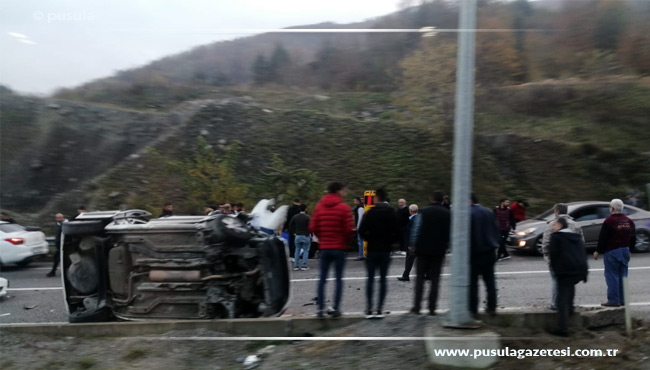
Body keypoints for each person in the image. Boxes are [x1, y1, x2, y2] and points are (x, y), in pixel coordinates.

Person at [309, 182, 354, 318]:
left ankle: (320, 308)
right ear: (339, 191)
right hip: (339, 248)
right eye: (344, 190)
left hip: (324, 248)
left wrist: (322, 238)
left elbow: (312, 226)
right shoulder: (344, 208)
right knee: (338, 279)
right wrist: (344, 241)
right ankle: (335, 308)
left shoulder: (319, 207)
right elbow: (349, 229)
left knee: (322, 278)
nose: (346, 193)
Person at [359, 188, 400, 319]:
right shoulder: (391, 213)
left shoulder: (370, 213)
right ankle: (380, 308)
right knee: (383, 279)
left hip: (372, 249)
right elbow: (398, 232)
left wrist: (368, 238)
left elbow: (361, 231)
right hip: (385, 250)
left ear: (376, 198)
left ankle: (369, 308)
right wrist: (391, 242)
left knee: (370, 279)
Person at [408, 191, 450, 315]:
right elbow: (449, 232)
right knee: (435, 279)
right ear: (442, 200)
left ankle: (417, 306)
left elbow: (416, 230)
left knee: (420, 278)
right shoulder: (447, 213)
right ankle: (432, 308)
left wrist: (412, 245)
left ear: (431, 198)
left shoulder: (423, 211)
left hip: (422, 250)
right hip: (439, 250)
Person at [548, 217, 589, 336]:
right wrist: (585, 272)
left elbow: (554, 255)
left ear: (560, 226)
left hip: (564, 270)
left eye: (554, 225)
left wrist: (555, 271)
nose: (552, 227)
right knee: (570, 289)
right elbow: (583, 253)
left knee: (561, 299)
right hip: (578, 269)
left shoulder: (556, 237)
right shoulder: (576, 236)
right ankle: (570, 311)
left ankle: (562, 328)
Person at [541, 203, 584, 310]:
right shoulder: (576, 225)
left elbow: (546, 244)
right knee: (569, 283)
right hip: (571, 259)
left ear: (556, 212)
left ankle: (555, 304)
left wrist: (548, 259)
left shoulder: (552, 224)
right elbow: (581, 243)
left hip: (557, 259)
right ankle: (568, 304)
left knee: (556, 281)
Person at [594, 199, 636, 307]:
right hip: (625, 250)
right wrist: (629, 249)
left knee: (612, 275)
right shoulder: (629, 221)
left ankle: (613, 300)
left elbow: (603, 238)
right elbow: (633, 237)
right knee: (623, 275)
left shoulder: (609, 221)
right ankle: (623, 299)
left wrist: (598, 251)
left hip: (612, 251)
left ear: (612, 208)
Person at [469, 194, 500, 317]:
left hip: (474, 253)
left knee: (473, 283)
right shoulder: (488, 212)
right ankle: (492, 308)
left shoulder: (468, 213)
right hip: (489, 251)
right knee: (490, 281)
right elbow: (496, 230)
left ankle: (473, 310)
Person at [397, 204, 419, 282]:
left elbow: (412, 233)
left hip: (412, 244)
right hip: (419, 244)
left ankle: (406, 275)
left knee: (409, 260)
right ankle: (427, 274)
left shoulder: (413, 220)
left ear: (410, 211)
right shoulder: (418, 219)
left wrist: (410, 244)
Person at [289, 204, 311, 271]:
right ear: (305, 209)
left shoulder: (295, 217)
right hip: (305, 235)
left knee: (297, 250)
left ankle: (296, 265)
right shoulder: (308, 217)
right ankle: (304, 265)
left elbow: (290, 225)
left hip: (297, 235)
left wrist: (293, 233)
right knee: (305, 251)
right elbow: (311, 226)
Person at [47, 213, 67, 277]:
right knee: (57, 259)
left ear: (63, 217)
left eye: (60, 217)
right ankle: (54, 271)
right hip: (59, 246)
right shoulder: (58, 224)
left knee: (61, 259)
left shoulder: (66, 224)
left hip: (64, 245)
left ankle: (54, 271)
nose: (59, 219)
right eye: (58, 218)